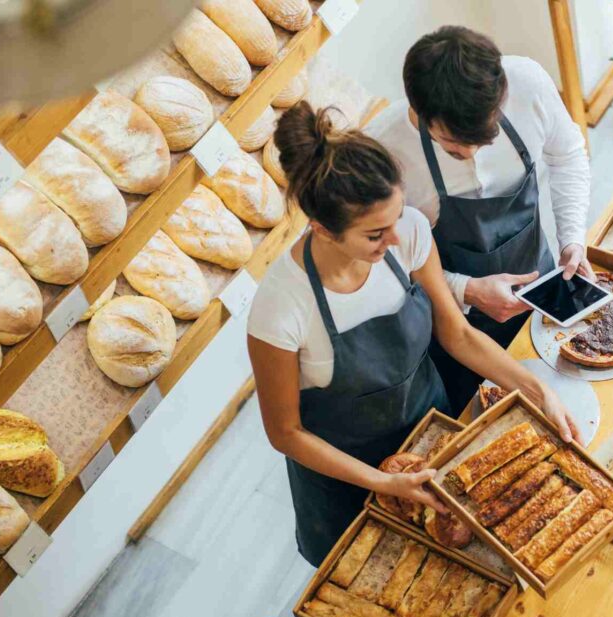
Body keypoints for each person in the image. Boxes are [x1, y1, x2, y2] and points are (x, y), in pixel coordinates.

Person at [247, 102, 578, 566]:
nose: (396, 240)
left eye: (397, 217)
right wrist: (383, 483)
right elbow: (286, 433)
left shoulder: (411, 233)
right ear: (321, 228)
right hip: (346, 482)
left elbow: (457, 335)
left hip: (431, 440)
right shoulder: (281, 308)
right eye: (375, 234)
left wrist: (536, 390)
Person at [365, 26, 592, 412]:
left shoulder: (528, 83)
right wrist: (466, 289)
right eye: (454, 145)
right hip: (455, 326)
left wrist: (572, 237)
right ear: (420, 113)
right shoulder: (383, 156)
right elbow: (384, 268)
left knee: (566, 395)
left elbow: (567, 154)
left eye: (482, 140)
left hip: (540, 289)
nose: (471, 154)